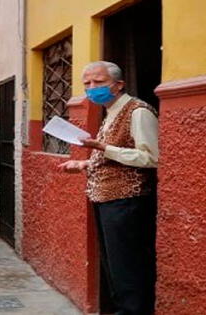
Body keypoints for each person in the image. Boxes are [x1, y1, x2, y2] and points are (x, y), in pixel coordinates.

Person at [58, 61, 159, 314]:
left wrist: (102, 148)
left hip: (127, 200)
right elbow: (113, 157)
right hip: (105, 198)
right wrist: (83, 163)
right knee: (114, 264)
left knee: (128, 265)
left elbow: (150, 157)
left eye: (99, 82)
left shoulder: (137, 111)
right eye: (87, 84)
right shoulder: (110, 112)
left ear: (119, 85)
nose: (92, 88)